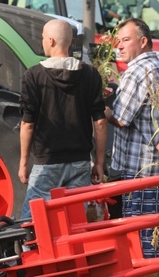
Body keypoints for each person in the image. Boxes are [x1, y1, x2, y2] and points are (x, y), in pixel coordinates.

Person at [105, 17, 159, 258]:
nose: (119, 46)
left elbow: (121, 118)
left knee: (143, 243)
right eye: (118, 41)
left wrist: (102, 109)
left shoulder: (138, 71)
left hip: (140, 170)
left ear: (143, 42)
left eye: (126, 40)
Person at [18, 19, 107, 219]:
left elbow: (28, 124)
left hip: (47, 162)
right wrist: (99, 162)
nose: (42, 42)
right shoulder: (91, 74)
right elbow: (100, 122)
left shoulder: (33, 76)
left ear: (50, 41)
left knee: (32, 221)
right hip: (80, 163)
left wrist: (24, 162)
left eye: (42, 38)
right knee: (75, 222)